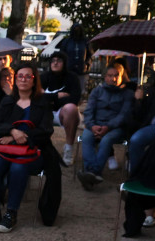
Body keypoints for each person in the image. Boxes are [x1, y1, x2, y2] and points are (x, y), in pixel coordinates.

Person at [0, 61, 54, 232]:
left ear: (34, 79)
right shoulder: (8, 101)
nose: (23, 79)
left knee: (17, 168)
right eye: (20, 76)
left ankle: (11, 213)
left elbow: (46, 130)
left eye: (27, 76)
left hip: (32, 150)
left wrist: (23, 136)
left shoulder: (42, 102)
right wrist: (12, 131)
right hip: (7, 148)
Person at [77, 62, 134, 190]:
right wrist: (91, 126)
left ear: (121, 77)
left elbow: (123, 115)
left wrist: (108, 127)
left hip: (115, 128)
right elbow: (89, 110)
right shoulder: (97, 91)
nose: (113, 79)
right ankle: (92, 174)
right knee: (86, 137)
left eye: (116, 75)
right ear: (105, 77)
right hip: (95, 125)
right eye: (109, 75)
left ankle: (91, 173)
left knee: (106, 140)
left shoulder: (128, 94)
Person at [39, 51, 81, 166]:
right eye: (53, 60)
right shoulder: (43, 77)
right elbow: (36, 97)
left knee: (71, 108)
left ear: (65, 63)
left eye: (59, 60)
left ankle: (68, 148)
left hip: (62, 113)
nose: (55, 63)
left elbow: (75, 99)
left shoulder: (72, 78)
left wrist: (50, 100)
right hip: (44, 112)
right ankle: (38, 149)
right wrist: (57, 96)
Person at [58, 22, 89, 93]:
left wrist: (87, 63)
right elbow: (61, 54)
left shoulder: (85, 41)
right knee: (69, 89)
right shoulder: (66, 42)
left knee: (81, 91)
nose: (76, 31)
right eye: (75, 29)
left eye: (78, 29)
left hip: (82, 70)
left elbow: (90, 54)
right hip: (69, 69)